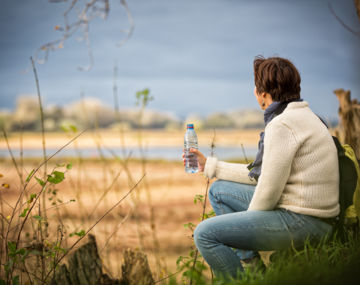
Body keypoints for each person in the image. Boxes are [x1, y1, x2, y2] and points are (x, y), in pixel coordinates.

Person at [183, 56, 340, 278]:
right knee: (218, 191)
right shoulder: (304, 115)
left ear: (263, 95)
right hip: (314, 216)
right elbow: (262, 175)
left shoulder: (282, 125)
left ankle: (243, 282)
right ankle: (254, 270)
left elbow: (267, 192)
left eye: (256, 90)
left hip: (305, 221)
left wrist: (247, 229)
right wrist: (209, 165)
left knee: (204, 234)